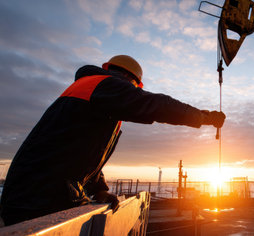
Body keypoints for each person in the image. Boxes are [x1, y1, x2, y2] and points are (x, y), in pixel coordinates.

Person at [0, 55, 225, 225]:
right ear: (131, 81)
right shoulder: (107, 85)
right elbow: (157, 105)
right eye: (135, 89)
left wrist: (99, 189)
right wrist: (204, 117)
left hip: (36, 193)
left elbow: (84, 152)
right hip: (37, 199)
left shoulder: (95, 93)